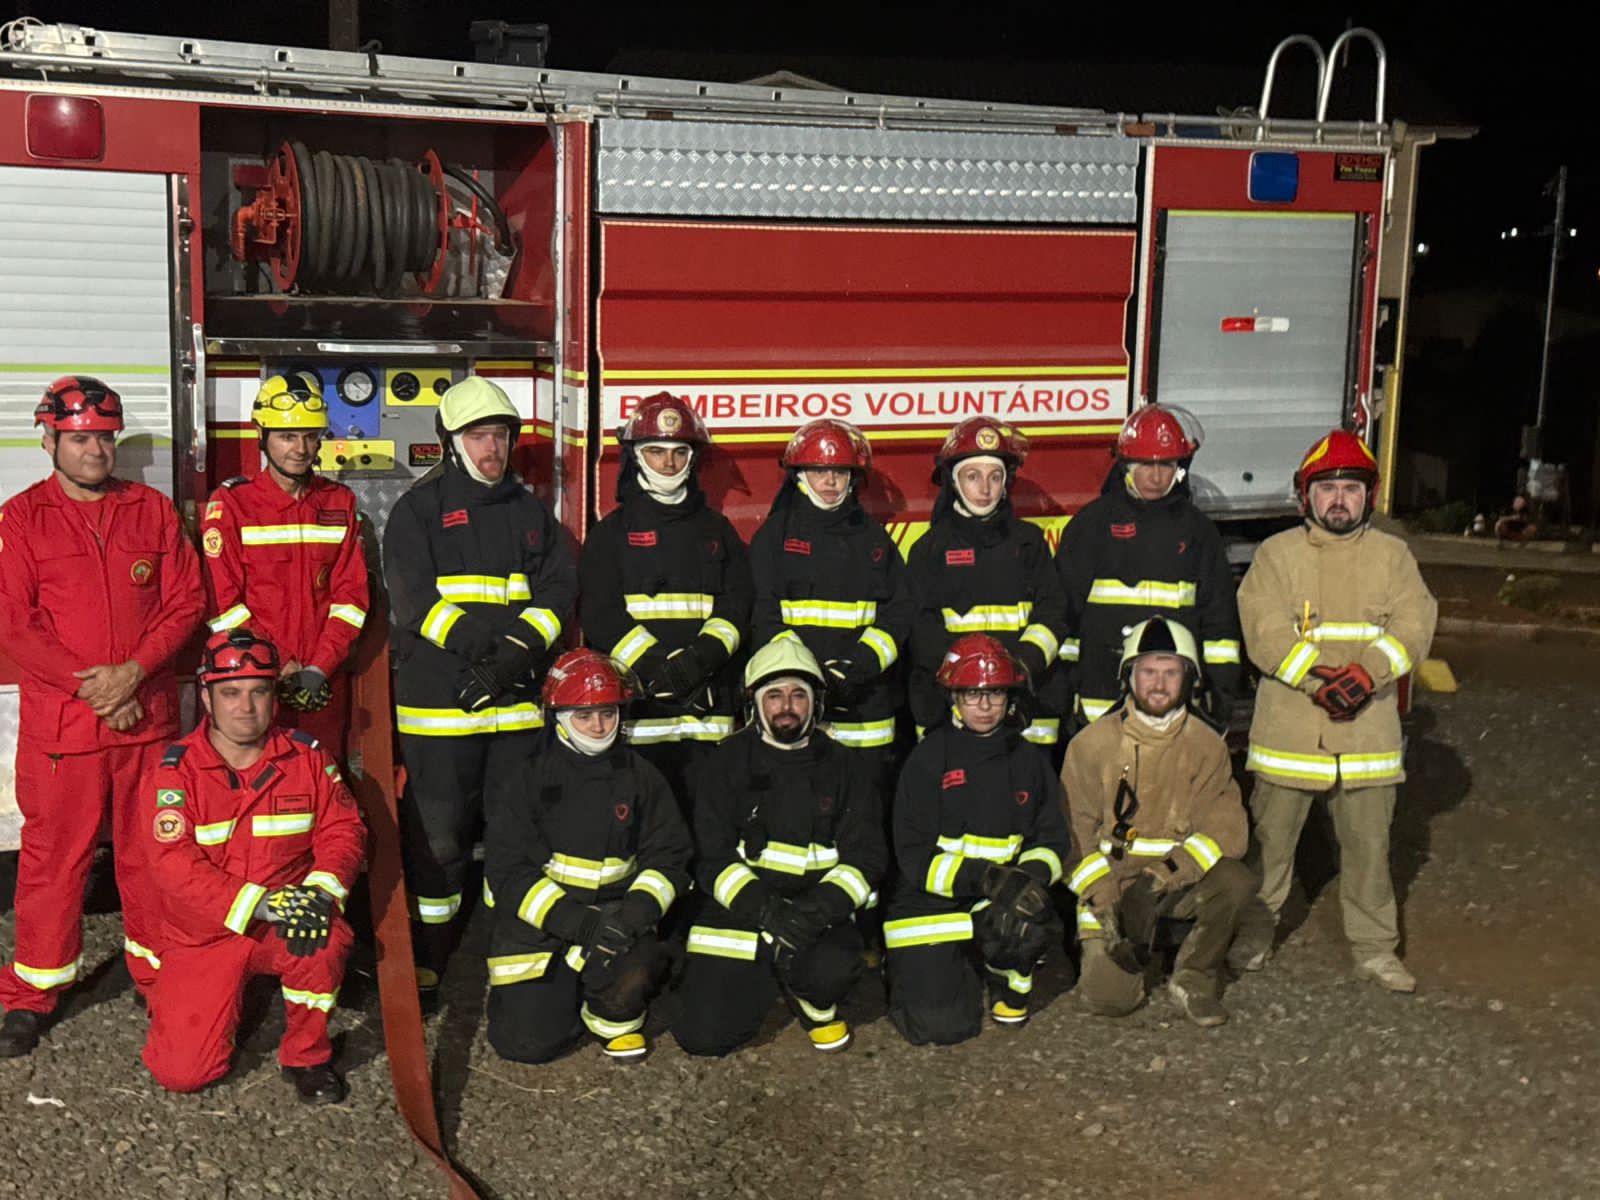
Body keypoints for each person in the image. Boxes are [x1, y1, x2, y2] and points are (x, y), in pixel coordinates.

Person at [0, 376, 202, 1057]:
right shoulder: (21, 519)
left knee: (154, 855)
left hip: (146, 724)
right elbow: (16, 624)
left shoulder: (152, 511)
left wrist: (133, 673)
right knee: (54, 864)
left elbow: (185, 602)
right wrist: (98, 690)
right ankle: (32, 993)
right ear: (49, 440)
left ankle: (157, 974)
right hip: (67, 730)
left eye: (105, 438)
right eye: (80, 439)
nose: (95, 451)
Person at [382, 376, 577, 991]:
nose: (492, 448)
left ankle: (510, 953)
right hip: (442, 712)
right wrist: (487, 655)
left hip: (515, 713)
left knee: (516, 835)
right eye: (478, 436)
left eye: (499, 435)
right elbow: (414, 602)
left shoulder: (530, 513)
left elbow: (558, 591)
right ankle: (430, 956)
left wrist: (514, 657)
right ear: (452, 442)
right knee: (439, 840)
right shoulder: (418, 510)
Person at [1236, 429, 1437, 992]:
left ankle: (1376, 949)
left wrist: (1368, 674)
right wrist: (1317, 677)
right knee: (1269, 846)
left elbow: (1415, 624)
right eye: (1327, 489)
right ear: (1306, 497)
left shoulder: (1393, 556)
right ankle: (1253, 937)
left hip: (1367, 734)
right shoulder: (1277, 555)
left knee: (1371, 850)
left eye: (1351, 488)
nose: (1340, 500)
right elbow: (1263, 628)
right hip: (1291, 729)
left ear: (1369, 496)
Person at [138, 630, 365, 1102]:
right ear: (206, 697)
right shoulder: (173, 773)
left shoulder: (307, 758)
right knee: (182, 1074)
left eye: (259, 691)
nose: (246, 707)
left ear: (273, 697)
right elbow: (172, 864)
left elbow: (342, 830)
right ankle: (200, 1002)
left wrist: (322, 894)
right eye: (230, 693)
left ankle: (307, 1055)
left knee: (324, 941)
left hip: (283, 920)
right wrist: (258, 904)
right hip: (207, 934)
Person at [674, 637, 887, 1057]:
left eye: (798, 695)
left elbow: (867, 855)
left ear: (815, 703)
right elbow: (711, 855)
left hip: (816, 912)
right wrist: (765, 910)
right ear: (756, 704)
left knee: (832, 971)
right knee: (704, 1037)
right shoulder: (724, 763)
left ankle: (806, 991)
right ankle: (761, 974)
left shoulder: (847, 766)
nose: (786, 706)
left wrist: (819, 910)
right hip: (741, 911)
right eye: (774, 695)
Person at [482, 649, 691, 1062]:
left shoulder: (643, 778)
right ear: (559, 717)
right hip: (542, 924)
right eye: (584, 715)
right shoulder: (528, 779)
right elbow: (507, 870)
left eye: (608, 713)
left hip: (617, 920)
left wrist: (634, 916)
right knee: (526, 1044)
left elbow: (669, 857)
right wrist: (577, 924)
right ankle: (561, 992)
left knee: (638, 971)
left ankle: (608, 1015)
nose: (598, 726)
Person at [1061, 618, 1253, 1026]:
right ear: (1129, 677)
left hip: (1172, 884)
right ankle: (1135, 948)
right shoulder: (1091, 744)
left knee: (1235, 881)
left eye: (1171, 673)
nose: (1159, 684)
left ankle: (1194, 976)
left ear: (1189, 679)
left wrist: (1161, 878)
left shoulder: (1206, 745)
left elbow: (1225, 829)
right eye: (1148, 672)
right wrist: (1106, 899)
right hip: (1113, 889)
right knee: (1110, 1000)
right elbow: (1072, 831)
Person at [884, 634, 1070, 1045]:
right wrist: (986, 878)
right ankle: (935, 967)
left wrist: (1025, 878)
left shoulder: (1029, 760)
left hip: (1001, 897)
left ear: (1010, 698)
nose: (984, 706)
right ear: (953, 698)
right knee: (940, 1027)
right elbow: (913, 856)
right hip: (934, 899)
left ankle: (1008, 980)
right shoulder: (927, 759)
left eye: (995, 693)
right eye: (972, 694)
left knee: (1027, 922)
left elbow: (1052, 838)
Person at [579, 392, 752, 809]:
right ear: (636, 456)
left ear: (693, 459)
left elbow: (738, 607)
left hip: (708, 714)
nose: (669, 463)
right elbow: (600, 615)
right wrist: (661, 671)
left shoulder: (719, 532)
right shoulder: (610, 534)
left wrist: (698, 662)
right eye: (656, 451)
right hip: (642, 713)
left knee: (710, 820)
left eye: (679, 452)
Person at [200, 372, 370, 753]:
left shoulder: (339, 502)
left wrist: (319, 667)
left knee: (322, 776)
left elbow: (352, 599)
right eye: (287, 436)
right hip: (252, 684)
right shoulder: (232, 504)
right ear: (262, 435)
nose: (301, 448)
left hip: (320, 684)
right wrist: (275, 663)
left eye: (310, 436)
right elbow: (222, 603)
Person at [1055, 404, 1242, 729]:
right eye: (1145, 464)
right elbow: (1064, 612)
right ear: (1125, 465)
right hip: (1101, 700)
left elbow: (1219, 620)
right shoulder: (1092, 525)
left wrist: (1222, 688)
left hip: (1173, 703)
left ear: (1180, 467)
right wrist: (1064, 684)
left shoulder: (1198, 531)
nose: (1156, 477)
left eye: (1166, 465)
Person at [748, 419, 912, 769]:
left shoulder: (875, 540)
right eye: (819, 471)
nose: (830, 481)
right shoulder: (774, 537)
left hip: (866, 709)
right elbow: (762, 614)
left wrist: (859, 666)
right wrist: (809, 673)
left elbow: (898, 614)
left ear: (853, 477)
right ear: (799, 475)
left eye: (839, 471)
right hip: (796, 703)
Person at [906, 418, 1068, 751]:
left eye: (995, 477)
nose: (985, 489)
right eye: (973, 476)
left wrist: (1023, 665)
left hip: (1029, 707)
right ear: (954, 481)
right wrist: (969, 678)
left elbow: (1054, 613)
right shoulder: (929, 550)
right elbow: (921, 629)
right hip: (952, 705)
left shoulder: (1030, 544)